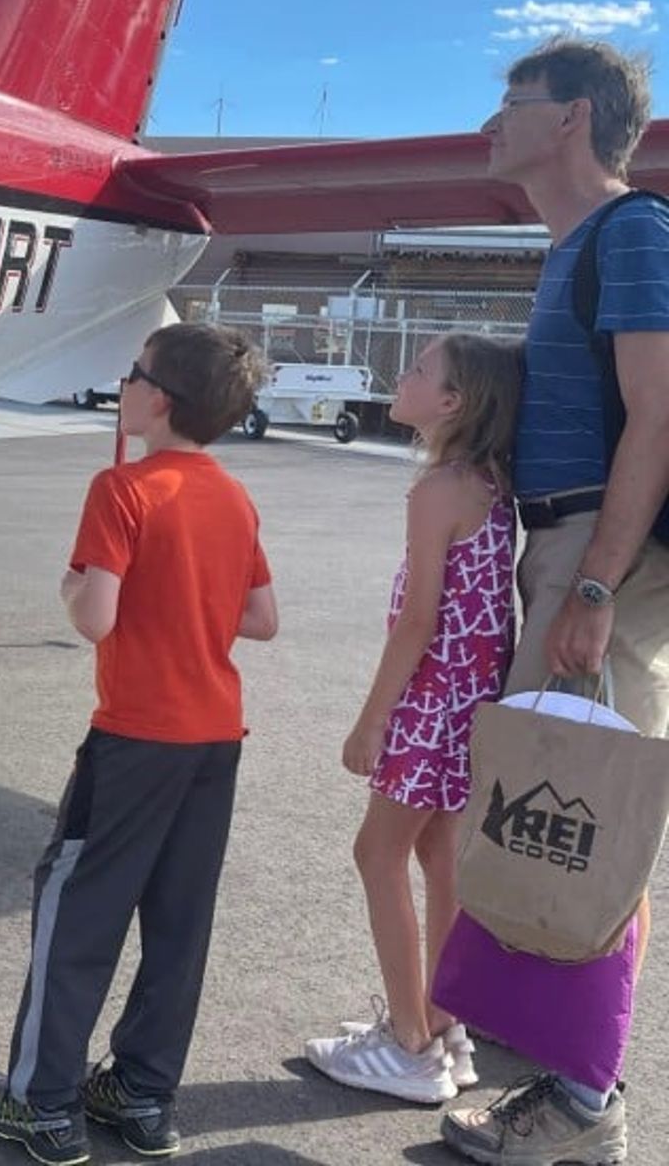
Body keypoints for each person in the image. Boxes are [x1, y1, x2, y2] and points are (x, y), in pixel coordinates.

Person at [0, 323, 277, 1166]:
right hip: (214, 737)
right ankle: (143, 1094)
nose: (125, 381)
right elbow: (260, 618)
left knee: (79, 911)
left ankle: (43, 1101)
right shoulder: (230, 494)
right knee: (179, 922)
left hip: (137, 736)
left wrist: (73, 584)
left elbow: (94, 614)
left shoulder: (122, 489)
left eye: (134, 372)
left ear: (159, 399)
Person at [440, 39, 669, 1164]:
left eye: (511, 102)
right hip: (571, 543)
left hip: (599, 551)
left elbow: (658, 413)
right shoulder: (576, 245)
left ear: (572, 118)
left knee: (586, 817)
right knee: (556, 813)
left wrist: (593, 582)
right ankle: (567, 1083)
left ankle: (583, 1108)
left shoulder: (633, 231)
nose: (492, 120)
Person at [304, 334, 520, 1105]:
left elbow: (418, 622)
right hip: (471, 704)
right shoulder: (492, 482)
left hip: (432, 701)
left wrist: (370, 722)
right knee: (438, 855)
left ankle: (409, 1041)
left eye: (420, 370)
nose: (404, 375)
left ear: (453, 404)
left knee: (377, 853)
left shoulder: (437, 491)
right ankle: (443, 1021)